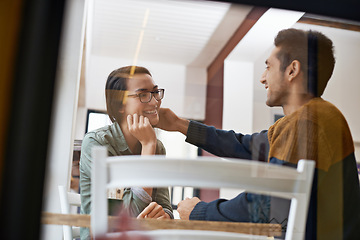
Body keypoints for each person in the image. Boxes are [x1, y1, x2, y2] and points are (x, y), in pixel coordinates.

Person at [156, 28, 360, 239]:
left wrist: (199, 212)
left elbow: (267, 202)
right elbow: (242, 145)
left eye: (268, 67)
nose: (263, 78)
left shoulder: (309, 122)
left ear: (292, 70)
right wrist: (179, 124)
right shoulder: (304, 120)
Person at [80, 66, 173, 240]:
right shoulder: (98, 144)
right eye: (143, 95)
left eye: (155, 92)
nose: (154, 102)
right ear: (119, 105)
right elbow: (125, 218)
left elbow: (164, 205)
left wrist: (164, 215)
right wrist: (147, 146)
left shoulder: (157, 147)